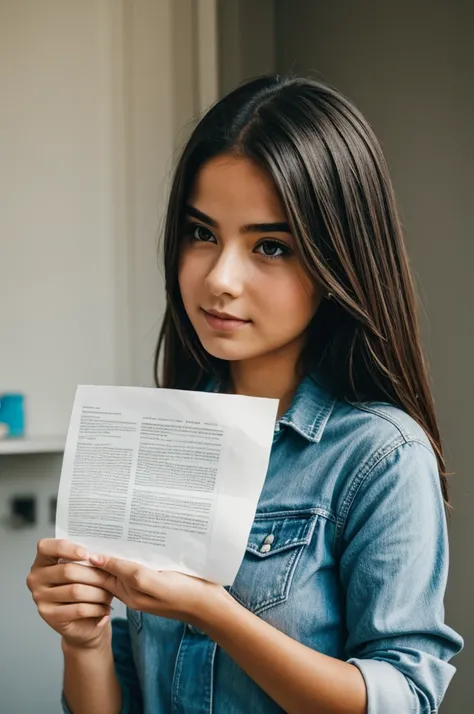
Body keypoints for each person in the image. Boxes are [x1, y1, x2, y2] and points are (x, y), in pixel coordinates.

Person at [27, 75, 463, 714]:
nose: (220, 279)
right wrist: (83, 641)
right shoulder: (165, 431)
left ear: (336, 260)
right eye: (202, 233)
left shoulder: (381, 456)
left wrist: (213, 610)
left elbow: (405, 699)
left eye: (269, 246)